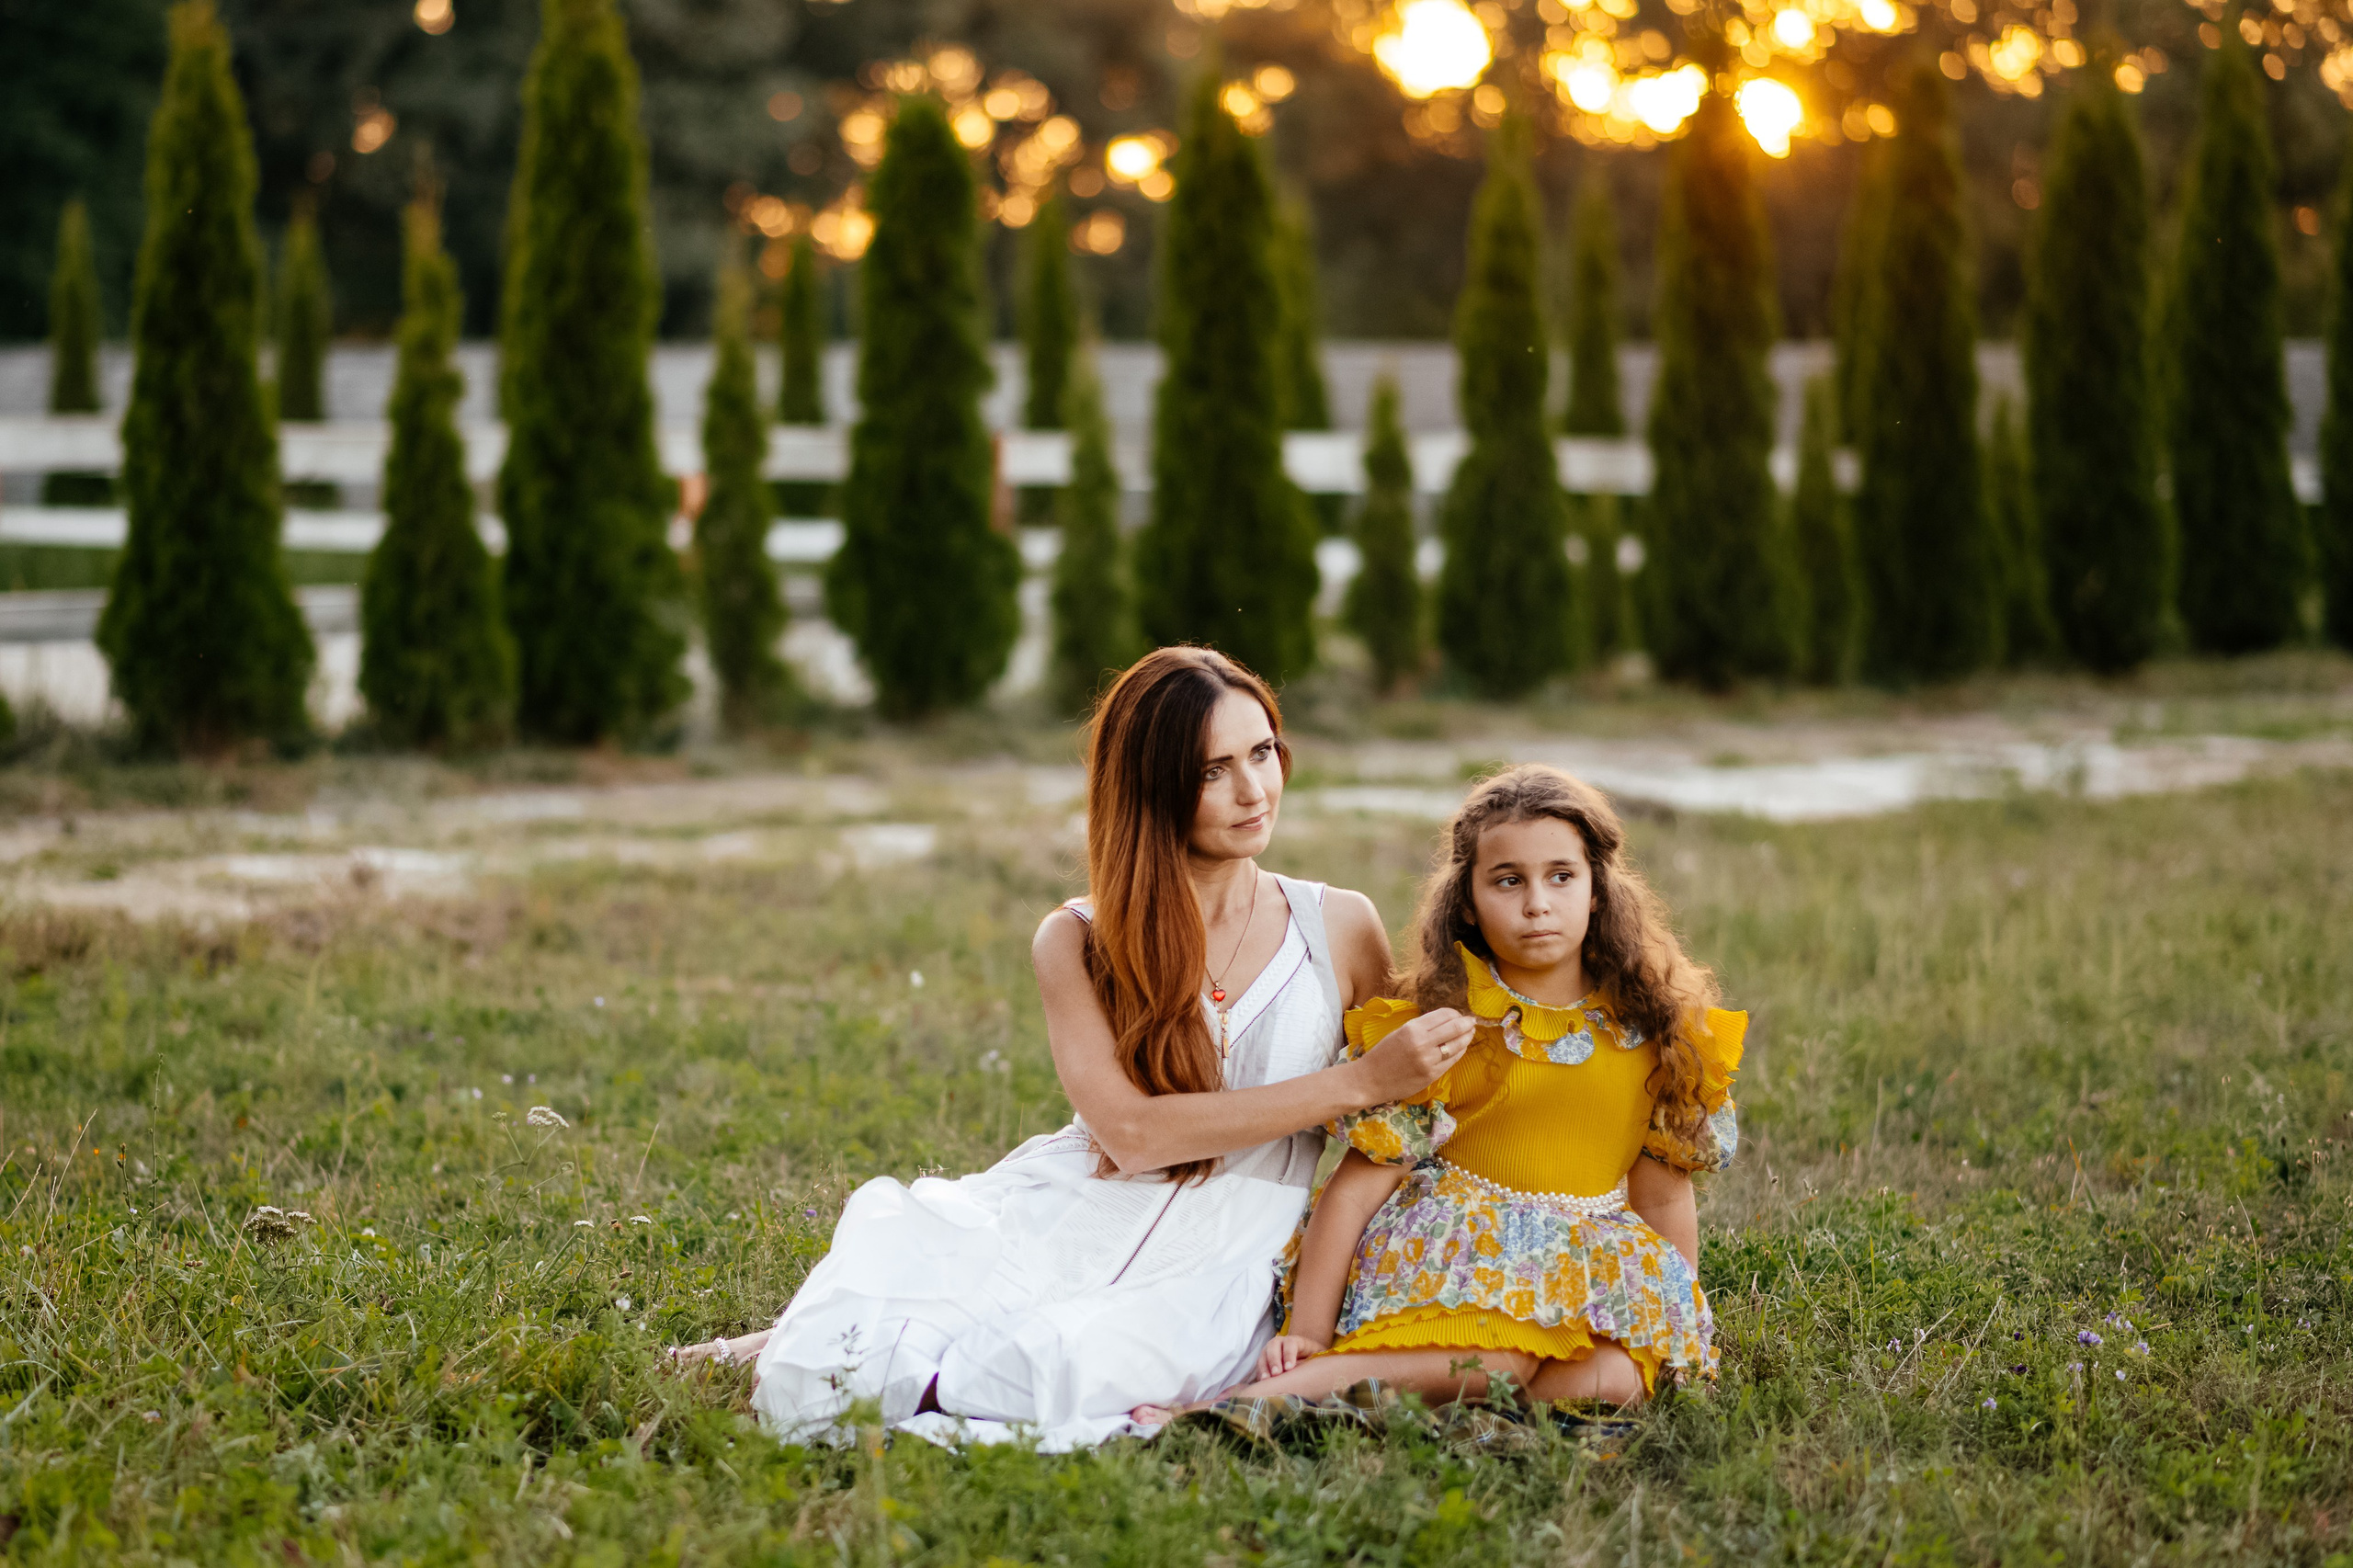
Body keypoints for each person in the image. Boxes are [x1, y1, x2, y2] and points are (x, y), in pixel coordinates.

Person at [673, 647, 1472, 1449]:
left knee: (1057, 1368)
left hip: (1234, 1243)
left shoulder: (1338, 924)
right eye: (1211, 771)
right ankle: (762, 1348)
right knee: (882, 1336)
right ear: (1151, 786)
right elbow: (1129, 1136)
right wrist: (1356, 1083)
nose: (1253, 790)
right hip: (1081, 1200)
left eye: (1262, 753)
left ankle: (773, 1346)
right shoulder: (1079, 938)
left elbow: (1402, 1120)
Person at [1138, 764, 1743, 1422]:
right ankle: (1247, 1405)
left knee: (1618, 1380)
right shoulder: (1452, 1027)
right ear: (1467, 902)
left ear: (1598, 889)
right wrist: (1308, 1331)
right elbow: (1356, 1189)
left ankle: (1437, 1412)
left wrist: (1678, 1324)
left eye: (1561, 877)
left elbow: (1662, 1191)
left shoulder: (1656, 1030)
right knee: (1498, 1360)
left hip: (1584, 1270)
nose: (1537, 902)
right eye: (1508, 881)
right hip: (1456, 1262)